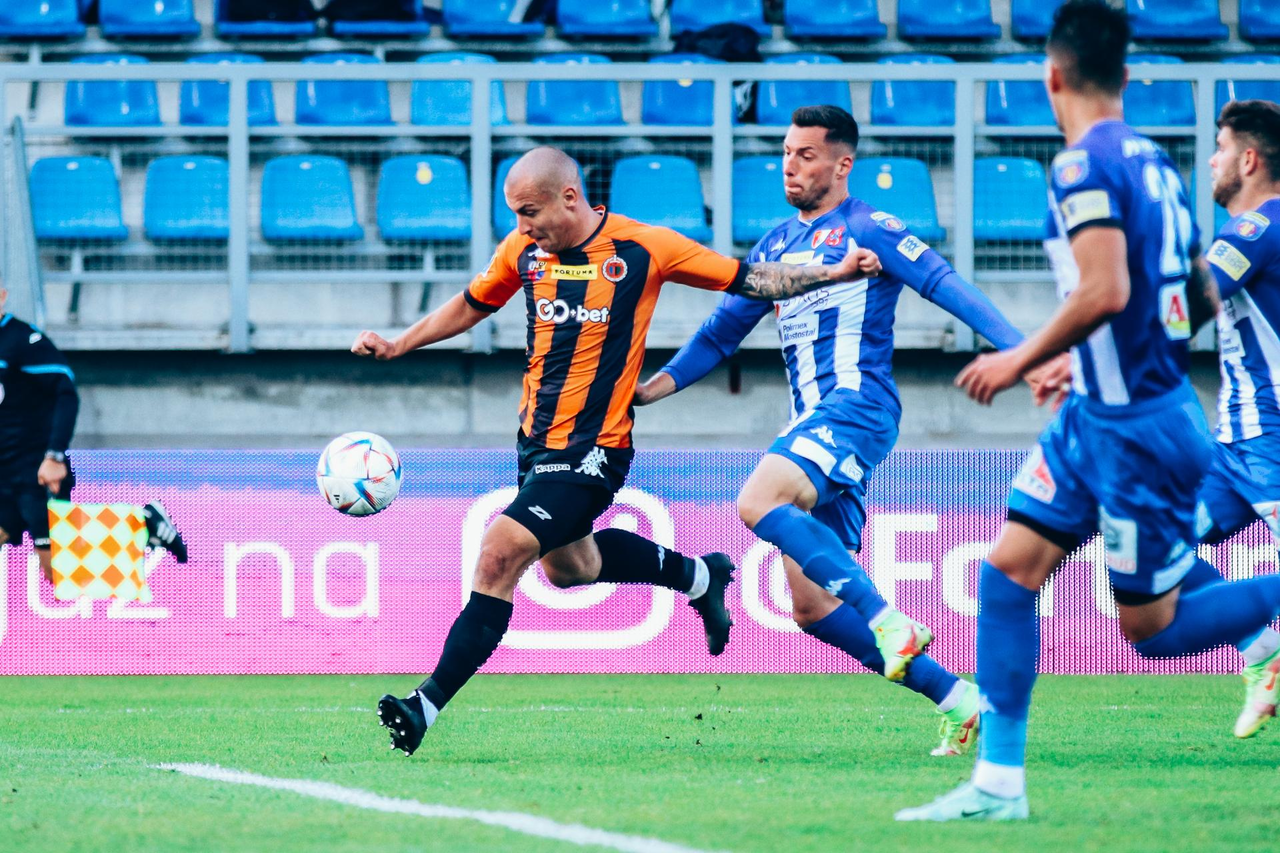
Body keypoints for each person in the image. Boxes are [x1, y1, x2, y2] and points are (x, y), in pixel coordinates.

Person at [352, 146, 885, 756]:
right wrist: (400, 344)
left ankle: (424, 704)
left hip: (595, 448)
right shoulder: (523, 251)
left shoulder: (643, 248)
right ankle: (698, 575)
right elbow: (473, 303)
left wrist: (833, 273)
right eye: (516, 214)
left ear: (569, 198)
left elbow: (749, 279)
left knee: (500, 552)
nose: (522, 226)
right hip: (535, 442)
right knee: (569, 569)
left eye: (530, 212)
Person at [898, 0, 1280, 822]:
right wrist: (1087, 358)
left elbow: (1105, 288)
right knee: (1007, 572)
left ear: (1052, 76)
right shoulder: (1158, 163)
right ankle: (998, 785)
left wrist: (1018, 357)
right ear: (1126, 75)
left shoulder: (1081, 165)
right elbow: (1189, 295)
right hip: (1105, 411)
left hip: (1136, 427)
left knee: (1152, 627)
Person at [633, 105, 1026, 757]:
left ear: (843, 164)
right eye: (786, 153)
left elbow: (944, 284)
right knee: (812, 607)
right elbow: (720, 334)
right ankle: (961, 700)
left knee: (758, 499)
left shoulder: (870, 227)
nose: (789, 165)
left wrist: (1023, 350)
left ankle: (889, 619)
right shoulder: (773, 247)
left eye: (806, 154)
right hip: (813, 422)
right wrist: (652, 390)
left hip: (856, 405)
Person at [0, 288, 188, 585]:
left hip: (33, 469)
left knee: (59, 571)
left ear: (2, 296)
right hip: (4, 472)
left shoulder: (23, 339)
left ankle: (144, 523)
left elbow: (66, 393)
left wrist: (54, 456)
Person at [1195, 98, 1280, 738]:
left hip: (1272, 440)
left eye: (1220, 148)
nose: (1211, 160)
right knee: (1151, 544)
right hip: (1233, 448)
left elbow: (1185, 306)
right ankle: (1263, 654)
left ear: (1248, 159)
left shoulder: (1256, 230)